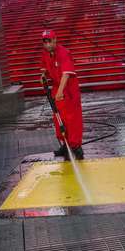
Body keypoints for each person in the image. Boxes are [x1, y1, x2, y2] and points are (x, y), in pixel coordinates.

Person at [40, 30, 84, 159]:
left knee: (71, 119)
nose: (47, 44)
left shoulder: (64, 53)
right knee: (58, 117)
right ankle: (65, 145)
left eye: (49, 41)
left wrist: (60, 91)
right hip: (56, 87)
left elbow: (66, 74)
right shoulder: (46, 54)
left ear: (55, 40)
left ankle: (76, 146)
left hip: (68, 90)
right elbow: (44, 70)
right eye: (45, 42)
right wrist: (42, 76)